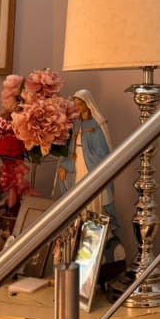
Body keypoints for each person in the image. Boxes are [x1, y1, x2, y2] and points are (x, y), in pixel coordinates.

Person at [54, 89, 124, 263]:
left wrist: (91, 162)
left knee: (94, 202)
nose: (77, 107)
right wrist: (65, 166)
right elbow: (71, 151)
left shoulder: (97, 125)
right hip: (78, 168)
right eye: (76, 104)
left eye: (80, 104)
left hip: (92, 169)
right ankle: (79, 233)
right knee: (78, 201)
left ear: (87, 104)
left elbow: (103, 152)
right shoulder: (77, 125)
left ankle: (98, 237)